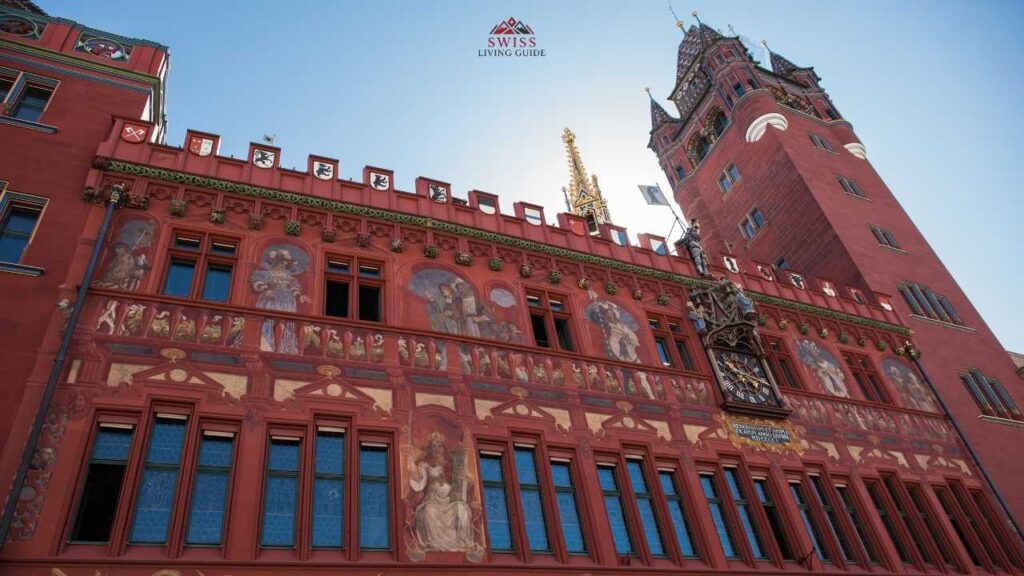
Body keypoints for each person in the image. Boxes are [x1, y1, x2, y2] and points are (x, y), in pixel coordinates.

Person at [407, 433, 476, 552]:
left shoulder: (452, 465)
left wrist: (466, 479)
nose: (436, 449)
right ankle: (433, 544)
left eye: (439, 446)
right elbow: (418, 479)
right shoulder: (424, 464)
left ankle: (463, 542)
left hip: (450, 499)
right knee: (429, 511)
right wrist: (411, 465)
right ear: (429, 449)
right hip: (432, 499)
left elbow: (467, 482)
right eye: (433, 446)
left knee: (461, 508)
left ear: (444, 448)